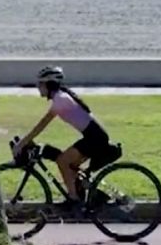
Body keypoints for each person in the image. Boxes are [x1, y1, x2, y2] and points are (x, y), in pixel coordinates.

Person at [10, 65, 120, 209]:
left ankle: (73, 199)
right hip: (93, 136)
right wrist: (26, 141)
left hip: (95, 138)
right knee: (67, 162)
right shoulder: (61, 97)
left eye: (40, 84)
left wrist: (22, 143)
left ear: (49, 84)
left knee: (63, 161)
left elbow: (42, 124)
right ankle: (87, 193)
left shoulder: (61, 99)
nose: (38, 87)